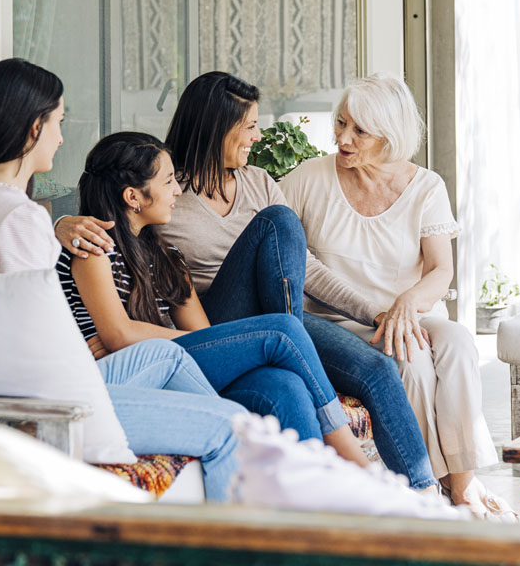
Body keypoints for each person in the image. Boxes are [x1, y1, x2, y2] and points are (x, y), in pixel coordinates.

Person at [0, 58, 243, 501]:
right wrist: (82, 347)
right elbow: (41, 332)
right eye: (58, 121)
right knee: (231, 426)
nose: (61, 136)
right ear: (34, 128)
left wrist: (54, 225)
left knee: (174, 360)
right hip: (36, 405)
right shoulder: (18, 217)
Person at [157, 71, 438, 493]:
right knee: (280, 221)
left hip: (281, 322)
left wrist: (374, 313)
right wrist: (64, 225)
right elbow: (114, 225)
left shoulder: (258, 182)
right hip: (219, 326)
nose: (257, 136)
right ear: (216, 127)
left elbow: (308, 269)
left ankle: (423, 498)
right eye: (249, 126)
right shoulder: (166, 193)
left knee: (378, 368)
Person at [280, 74, 514, 521]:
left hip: (411, 313)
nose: (343, 139)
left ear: (389, 135)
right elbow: (275, 240)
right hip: (344, 322)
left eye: (360, 131)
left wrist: (408, 302)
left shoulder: (426, 187)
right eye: (341, 123)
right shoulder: (309, 178)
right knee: (412, 359)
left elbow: (440, 269)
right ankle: (431, 486)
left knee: (459, 342)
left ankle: (463, 481)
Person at [59, 131, 370, 467]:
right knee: (283, 329)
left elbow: (202, 335)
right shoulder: (94, 250)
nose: (178, 190)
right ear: (133, 196)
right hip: (135, 376)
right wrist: (178, 341)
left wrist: (172, 340)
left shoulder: (167, 257)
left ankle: (317, 488)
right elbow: (119, 335)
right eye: (168, 181)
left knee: (286, 384)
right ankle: (352, 461)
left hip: (182, 367)